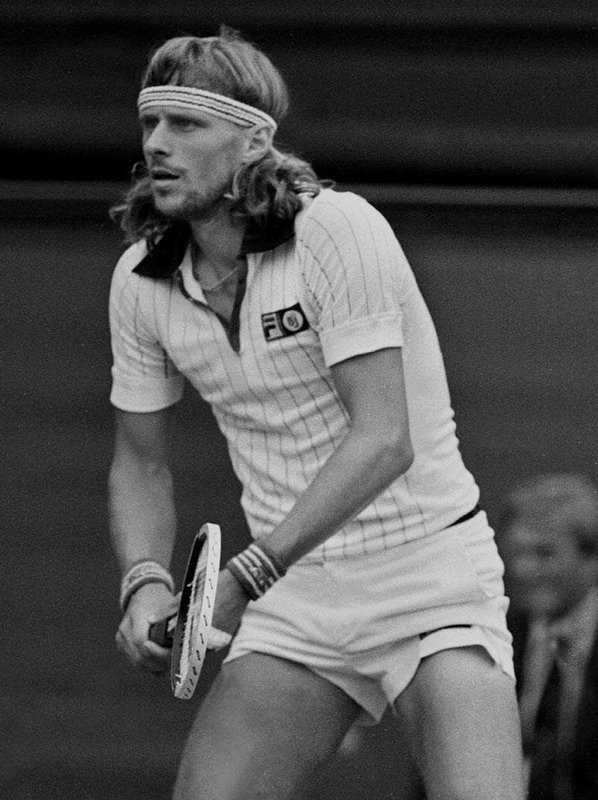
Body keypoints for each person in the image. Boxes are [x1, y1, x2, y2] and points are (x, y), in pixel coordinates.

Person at [108, 26, 524, 800]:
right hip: (295, 603)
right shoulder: (139, 278)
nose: (157, 143)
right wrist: (145, 583)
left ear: (253, 141)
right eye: (150, 122)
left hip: (426, 577)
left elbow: (385, 439)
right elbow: (140, 461)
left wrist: (241, 578)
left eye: (186, 124)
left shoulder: (337, 228)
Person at [497, 473, 598, 800]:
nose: (524, 569)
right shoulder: (498, 637)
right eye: (517, 553)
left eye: (544, 553)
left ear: (591, 557)